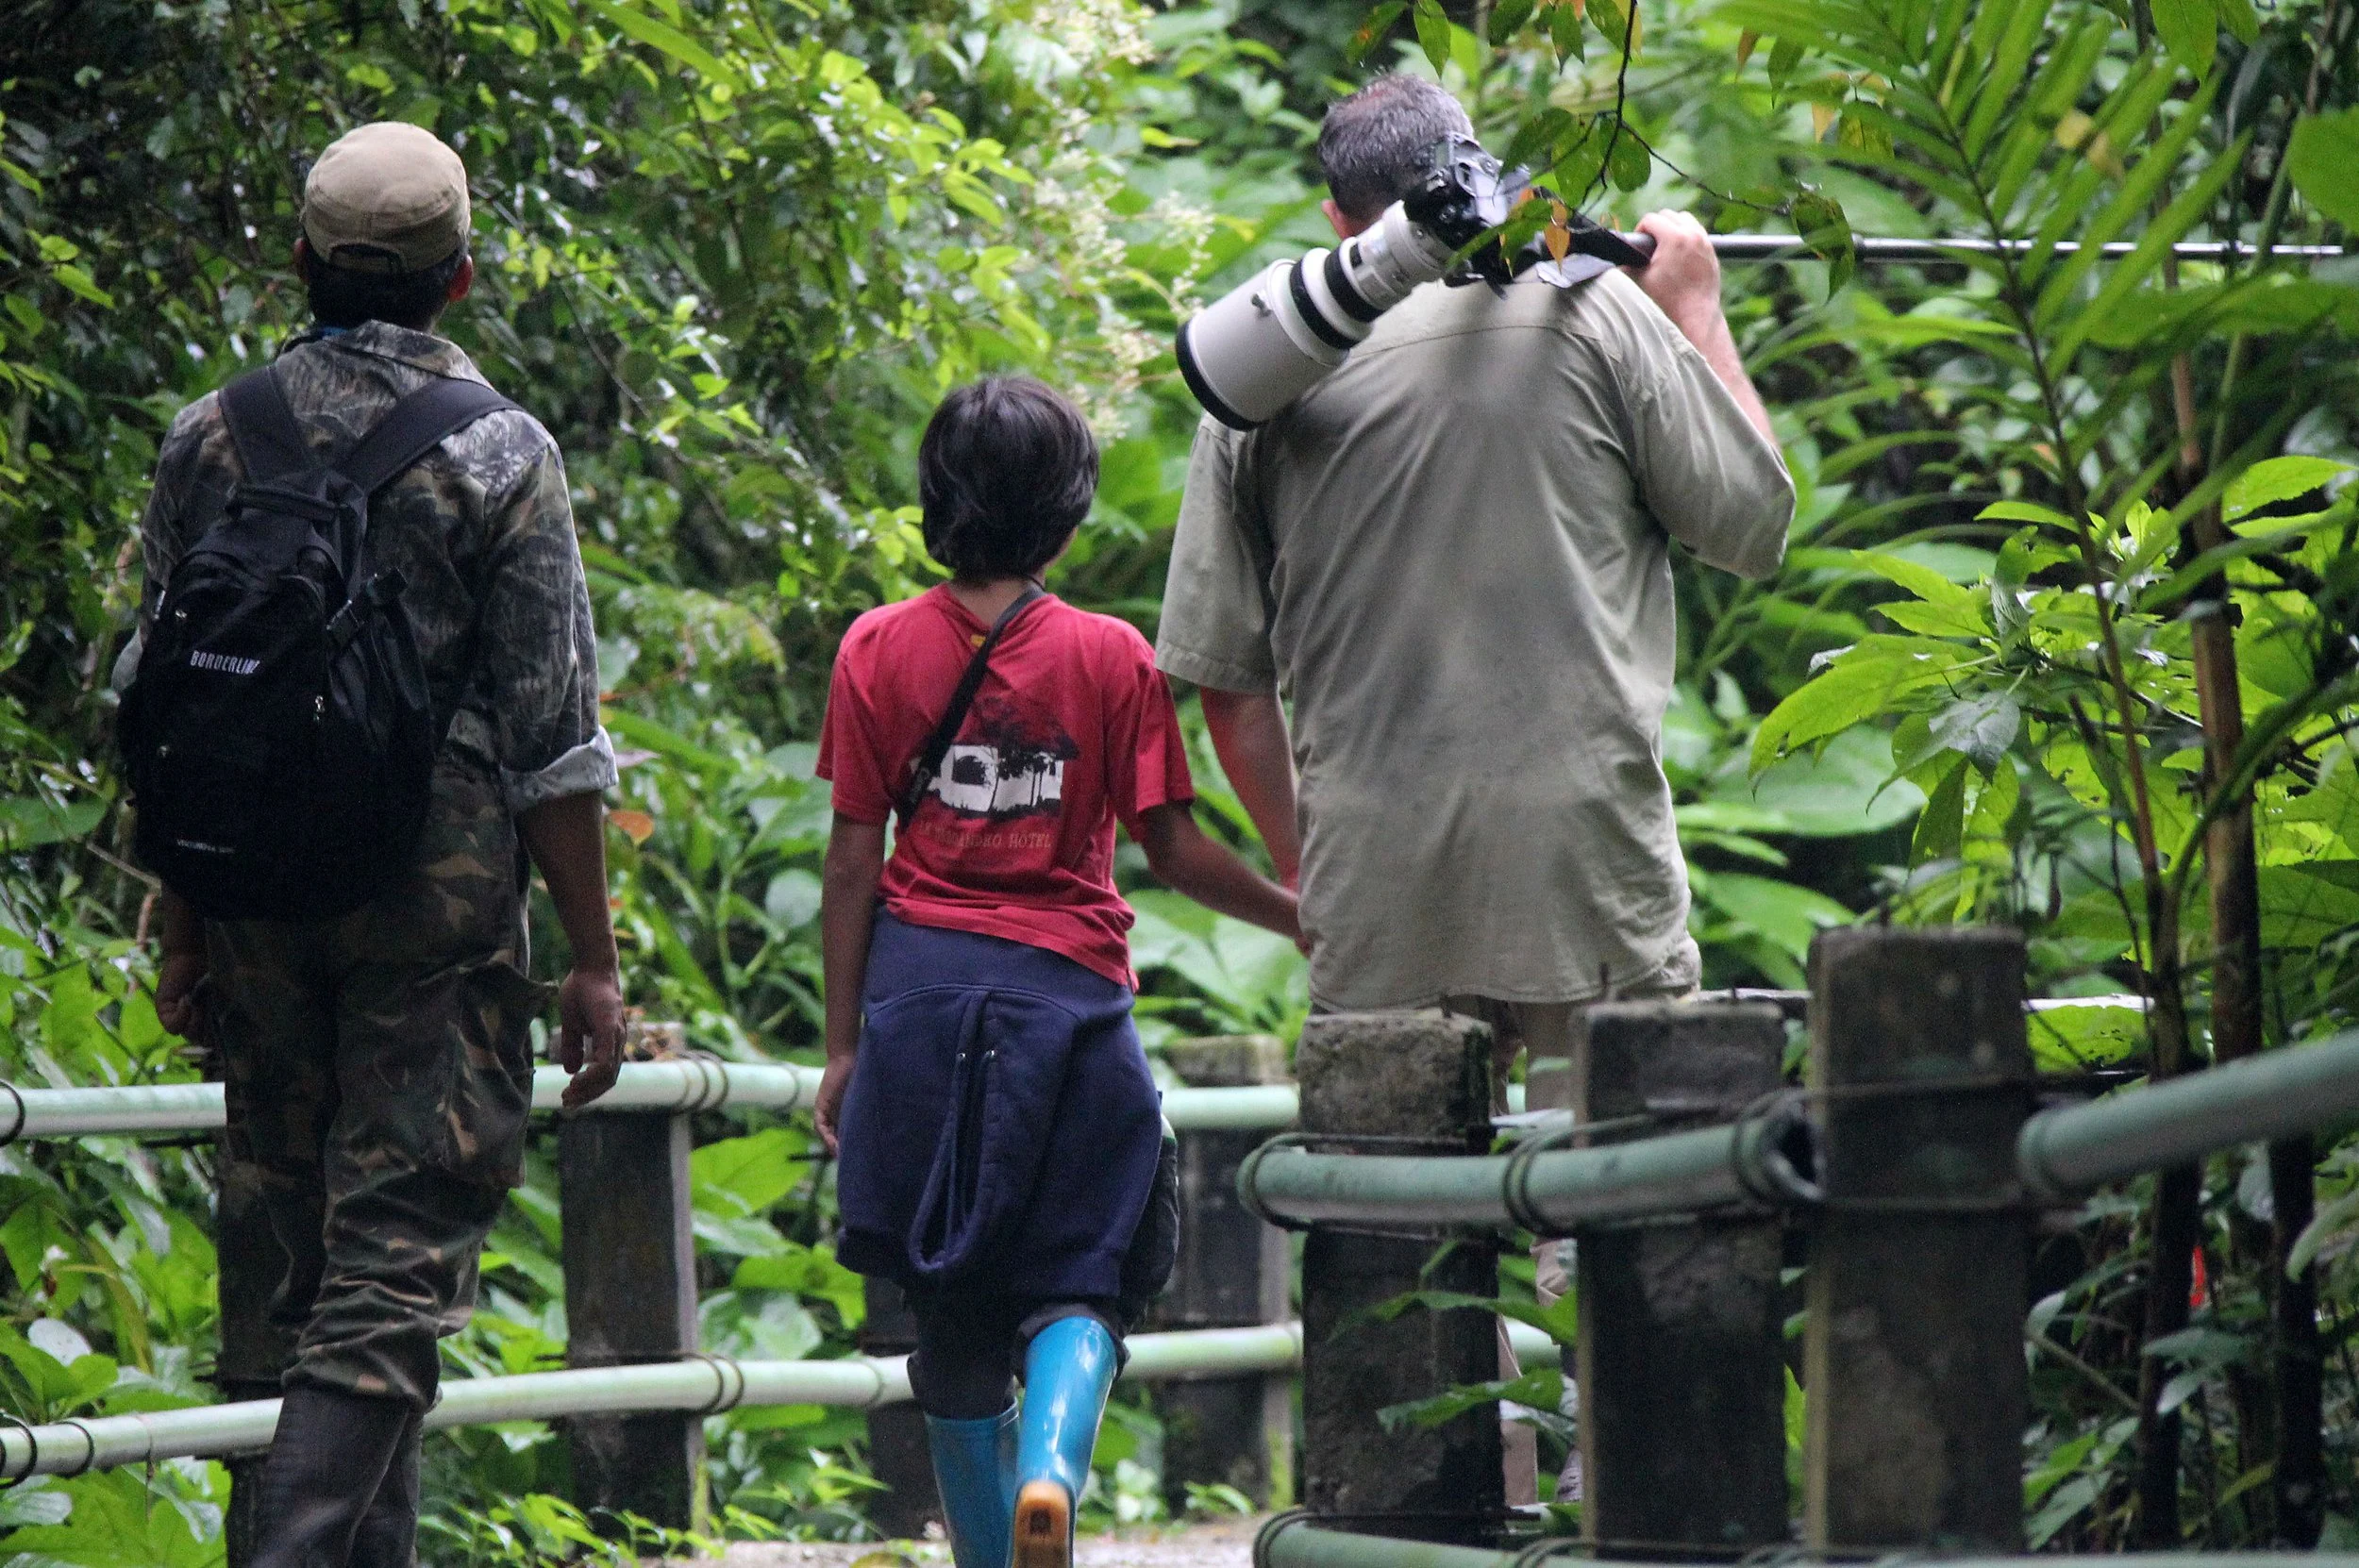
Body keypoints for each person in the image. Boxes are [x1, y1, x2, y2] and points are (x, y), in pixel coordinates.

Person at [1153, 73, 1796, 1501]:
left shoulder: (1261, 368)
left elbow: (1224, 683)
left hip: (1377, 873)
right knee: (1623, 1206)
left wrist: (1309, 867)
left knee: (1402, 1247)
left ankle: (1422, 1525)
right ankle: (1623, 1511)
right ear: (1485, 174)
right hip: (1590, 864)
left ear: (1337, 216)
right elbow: (1754, 521)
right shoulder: (1597, 308)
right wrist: (1693, 302)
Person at [131, 122, 626, 1568]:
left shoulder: (211, 435)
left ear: (301, 260)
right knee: (394, 1267)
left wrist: (181, 921)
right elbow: (553, 732)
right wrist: (591, 959)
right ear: (460, 277)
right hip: (438, 903)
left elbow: (161, 698)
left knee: (297, 1259)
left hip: (251, 893)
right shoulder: (498, 452)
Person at [811, 376, 1300, 1568]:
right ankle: (1052, 1476)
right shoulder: (1109, 656)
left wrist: (843, 1045)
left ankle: (995, 1554)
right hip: (1068, 1007)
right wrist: (1299, 917)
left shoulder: (876, 648)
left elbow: (849, 859)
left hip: (921, 1008)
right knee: (1088, 1275)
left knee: (952, 1314)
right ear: (1068, 514)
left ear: (937, 500)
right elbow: (1172, 851)